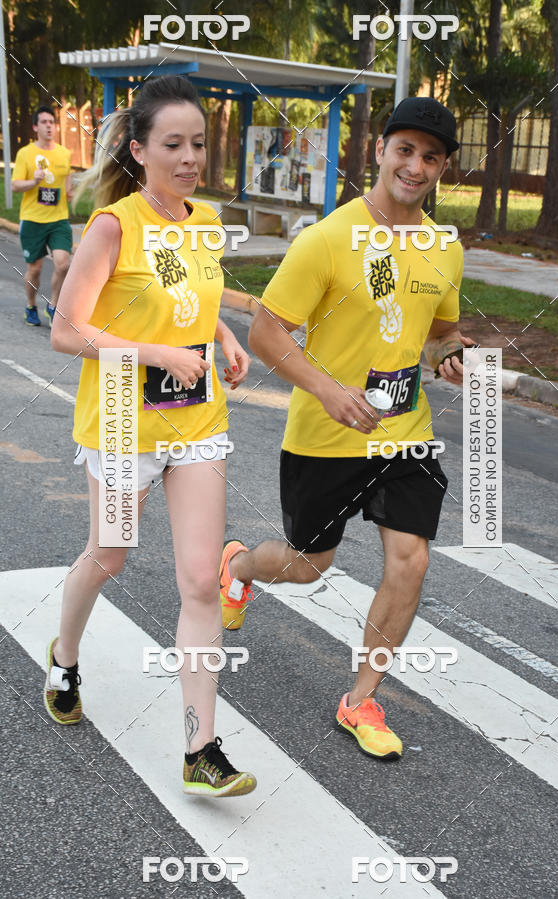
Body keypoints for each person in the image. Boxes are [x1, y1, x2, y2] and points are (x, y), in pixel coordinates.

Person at [219, 96, 475, 761]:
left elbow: (440, 331)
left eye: (431, 156)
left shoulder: (445, 248)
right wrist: (328, 389)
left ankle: (360, 697)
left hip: (402, 428)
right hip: (325, 434)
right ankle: (240, 563)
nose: (415, 166)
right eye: (406, 150)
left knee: (410, 559)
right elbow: (267, 329)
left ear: (443, 167)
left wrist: (450, 355)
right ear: (381, 151)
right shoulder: (329, 237)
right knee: (307, 565)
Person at [46, 75, 256, 797]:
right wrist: (155, 354)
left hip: (197, 417)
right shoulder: (114, 225)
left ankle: (202, 748)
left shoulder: (203, 223)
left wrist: (221, 333)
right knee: (110, 552)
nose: (190, 156)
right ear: (138, 150)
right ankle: (65, 652)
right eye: (173, 144)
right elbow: (66, 331)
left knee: (201, 579)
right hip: (120, 417)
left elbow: (185, 298)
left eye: (198, 143)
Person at [11, 106, 73, 327]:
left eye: (52, 122)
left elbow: (67, 182)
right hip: (33, 219)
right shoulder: (25, 154)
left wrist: (70, 192)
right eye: (44, 122)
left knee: (63, 264)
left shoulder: (64, 153)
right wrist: (34, 181)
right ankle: (30, 305)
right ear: (36, 127)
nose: (49, 126)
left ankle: (53, 305)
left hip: (58, 219)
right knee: (35, 269)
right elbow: (16, 185)